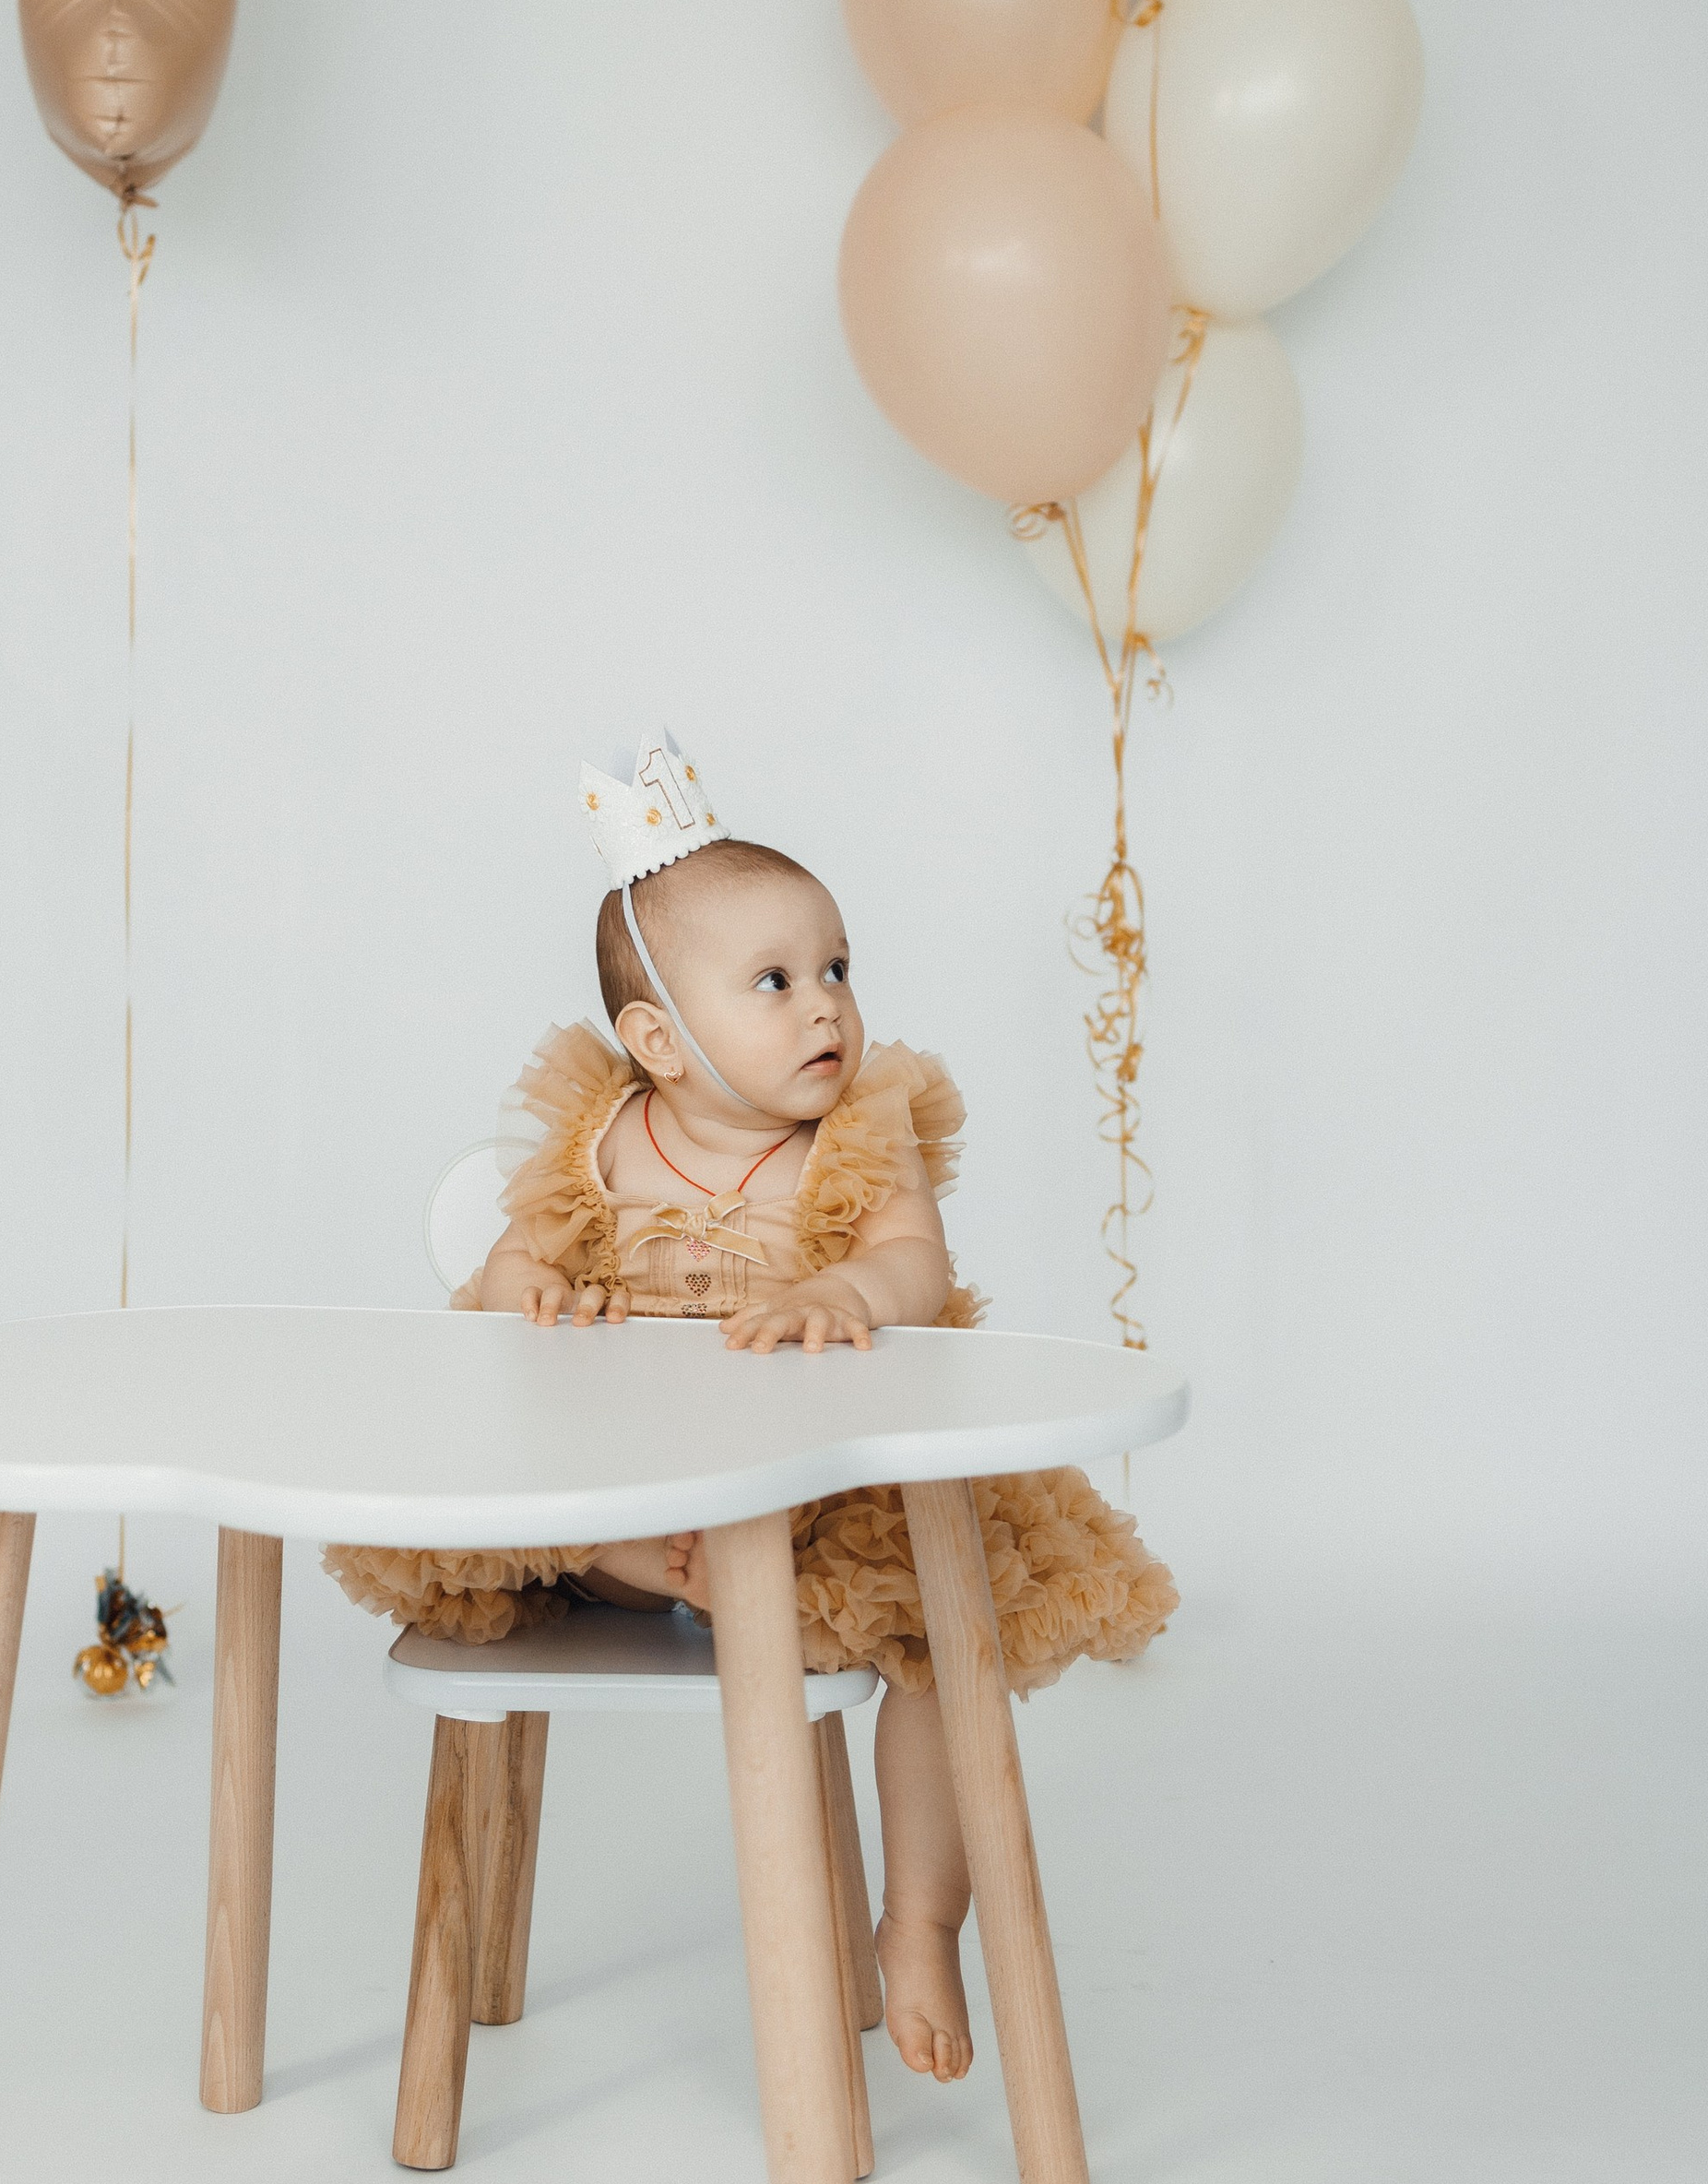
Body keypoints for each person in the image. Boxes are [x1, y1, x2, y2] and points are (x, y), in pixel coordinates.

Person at [326, 729, 1175, 2083]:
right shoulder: (598, 1140)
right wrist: (528, 1282)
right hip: (622, 1495)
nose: (825, 1006)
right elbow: (512, 1266)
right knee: (521, 1516)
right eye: (774, 981)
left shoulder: (857, 1139)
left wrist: (852, 1288)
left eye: (837, 968)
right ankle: (664, 1565)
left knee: (932, 1645)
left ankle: (921, 1920)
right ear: (657, 1038)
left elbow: (917, 1264)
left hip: (819, 1504)